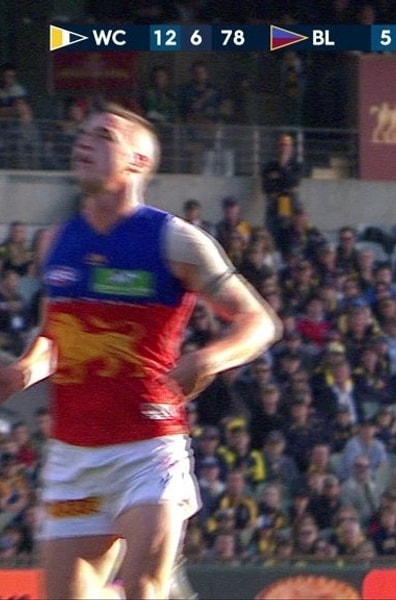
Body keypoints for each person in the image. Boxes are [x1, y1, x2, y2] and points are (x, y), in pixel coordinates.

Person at [0, 103, 281, 598]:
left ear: (138, 161)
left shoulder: (177, 241)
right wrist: (23, 370)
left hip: (148, 447)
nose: (84, 142)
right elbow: (54, 335)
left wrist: (208, 359)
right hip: (73, 455)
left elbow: (260, 322)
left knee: (142, 588)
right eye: (83, 134)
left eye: (104, 136)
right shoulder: (55, 242)